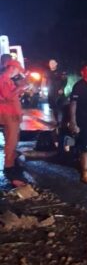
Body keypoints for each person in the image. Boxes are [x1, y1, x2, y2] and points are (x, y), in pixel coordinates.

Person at [0, 55, 28, 186]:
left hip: (13, 113)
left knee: (13, 140)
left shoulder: (9, 80)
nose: (18, 73)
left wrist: (20, 89)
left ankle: (11, 163)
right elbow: (6, 97)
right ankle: (9, 166)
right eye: (17, 70)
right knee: (11, 141)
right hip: (9, 114)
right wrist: (20, 88)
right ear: (12, 68)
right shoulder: (3, 79)